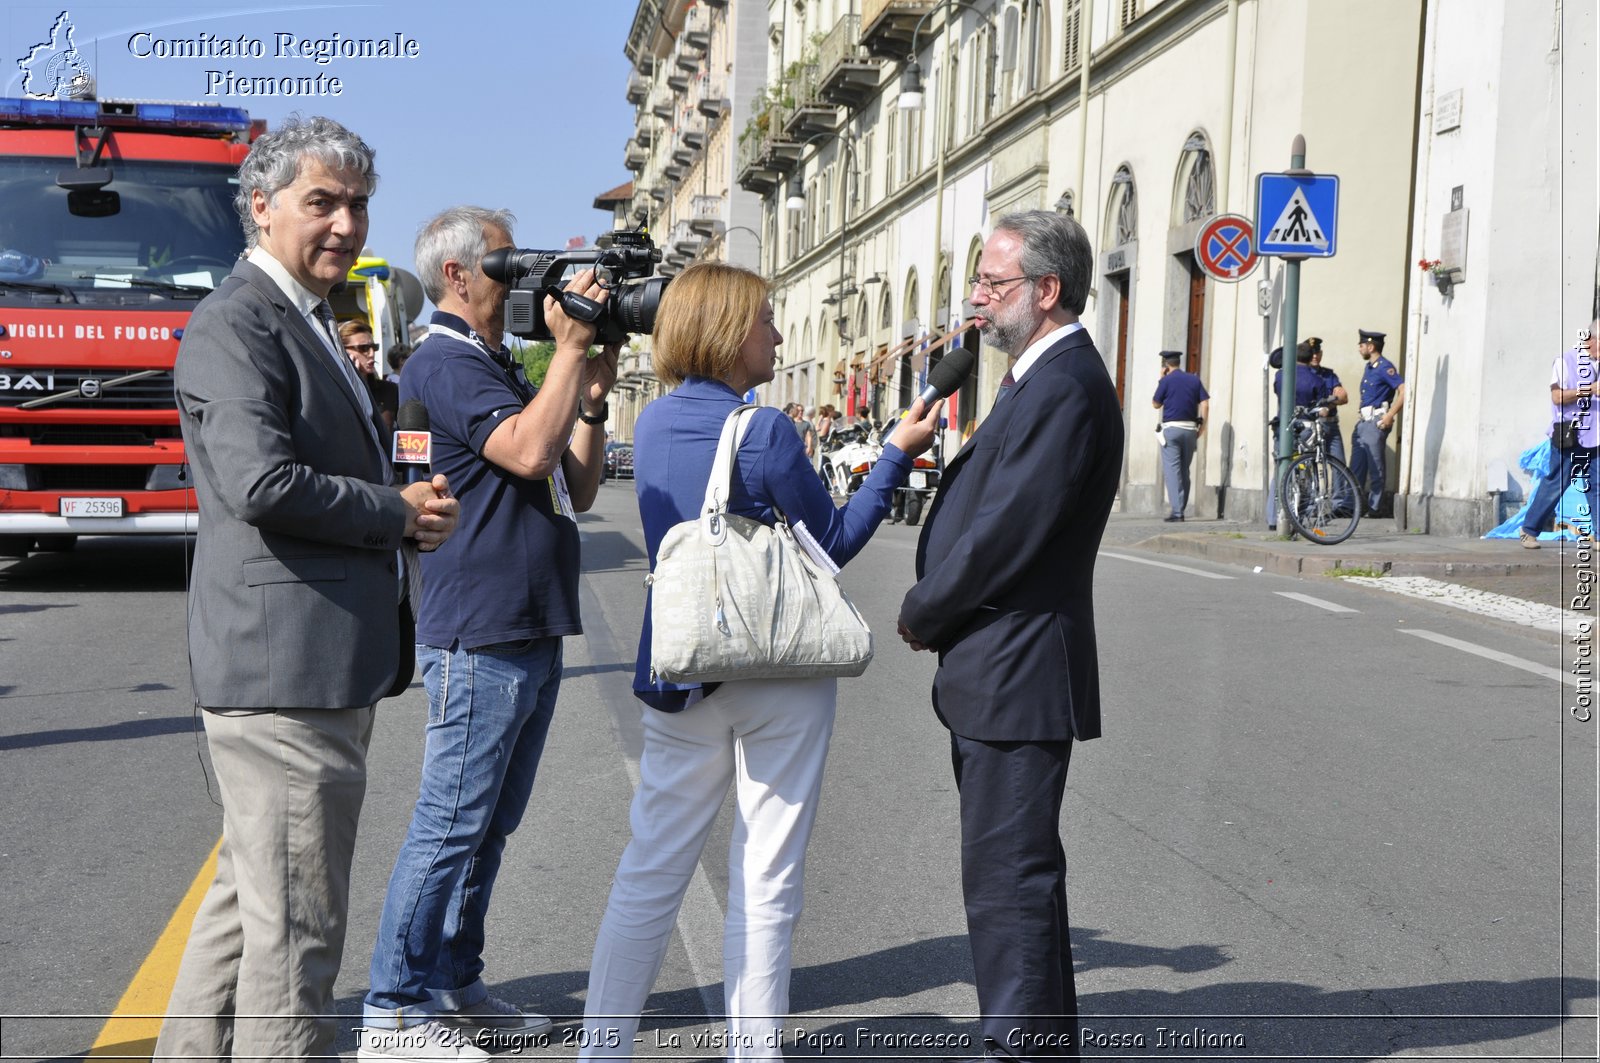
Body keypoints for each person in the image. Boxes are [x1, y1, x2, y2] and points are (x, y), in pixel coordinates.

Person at [152, 115, 460, 1063]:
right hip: (286, 672)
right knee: (298, 941)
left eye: (358, 204)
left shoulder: (309, 318)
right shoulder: (238, 321)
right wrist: (394, 510)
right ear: (262, 207)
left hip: (314, 664)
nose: (344, 223)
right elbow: (262, 482)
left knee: (249, 906)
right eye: (321, 201)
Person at [579, 262, 941, 1061]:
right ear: (729, 331)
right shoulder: (767, 429)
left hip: (682, 665)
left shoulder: (659, 427)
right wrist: (892, 455)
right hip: (776, 669)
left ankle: (600, 1051)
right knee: (767, 875)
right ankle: (754, 1052)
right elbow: (833, 545)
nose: (777, 334)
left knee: (650, 871)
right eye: (766, 321)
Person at [360, 206, 617, 1062]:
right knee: (448, 823)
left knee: (488, 826)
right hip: (480, 631)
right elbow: (525, 457)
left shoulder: (494, 364)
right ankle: (394, 1009)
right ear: (457, 277)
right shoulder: (444, 360)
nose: (521, 281)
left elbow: (575, 483)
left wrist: (589, 396)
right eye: (505, 266)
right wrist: (570, 347)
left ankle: (454, 983)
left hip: (527, 626)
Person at [896, 210, 1123, 1062]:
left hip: (1019, 667)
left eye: (993, 285)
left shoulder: (1063, 384)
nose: (979, 303)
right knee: (1016, 879)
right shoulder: (1036, 376)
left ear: (1047, 290)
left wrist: (925, 609)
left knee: (1008, 884)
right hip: (1003, 666)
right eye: (980, 286)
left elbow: (1005, 531)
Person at [1519, 317, 1600, 548]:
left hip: (1596, 435)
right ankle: (1529, 530)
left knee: (1598, 484)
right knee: (1556, 483)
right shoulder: (1566, 361)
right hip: (1570, 434)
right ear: (1591, 340)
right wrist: (1590, 389)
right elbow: (1557, 397)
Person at [1347, 328, 1406, 517]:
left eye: (1361, 345)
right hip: (1363, 422)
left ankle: (1375, 506)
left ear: (1371, 346)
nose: (1359, 348)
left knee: (1375, 467)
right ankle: (1355, 506)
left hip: (1375, 421)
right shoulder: (1370, 367)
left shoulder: (1384, 367)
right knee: (1357, 466)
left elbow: (1404, 390)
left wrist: (1389, 415)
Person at [1151, 349, 1208, 521]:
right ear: (1179, 363)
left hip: (1171, 429)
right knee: (1184, 470)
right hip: (1190, 430)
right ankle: (1180, 506)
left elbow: (1155, 404)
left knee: (1172, 470)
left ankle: (1177, 512)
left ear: (1166, 365)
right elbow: (1205, 404)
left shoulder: (1166, 381)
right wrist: (1202, 428)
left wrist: (1161, 379)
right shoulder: (1193, 379)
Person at [339, 317, 400, 428]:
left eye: (374, 347)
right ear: (343, 351)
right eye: (364, 348)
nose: (371, 353)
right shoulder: (335, 391)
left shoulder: (390, 390)